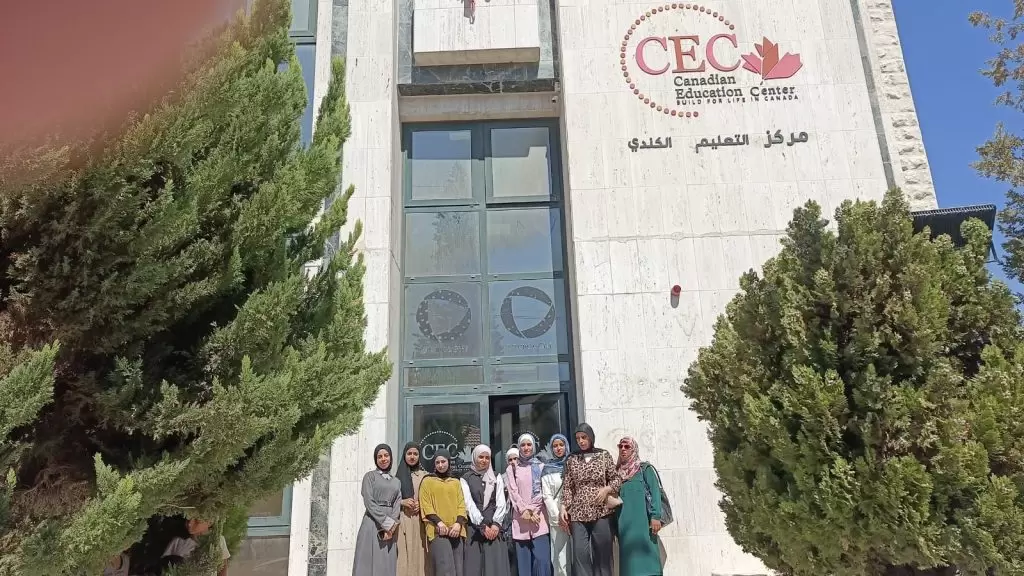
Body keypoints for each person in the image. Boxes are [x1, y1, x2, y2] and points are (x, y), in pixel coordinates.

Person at [560, 423, 622, 576]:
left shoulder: (603, 455)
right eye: (578, 438)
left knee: (603, 555)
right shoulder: (572, 459)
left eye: (584, 437)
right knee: (580, 554)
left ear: (591, 437)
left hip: (601, 511)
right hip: (578, 513)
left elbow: (616, 479)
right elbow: (568, 486)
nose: (581, 441)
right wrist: (563, 507)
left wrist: (607, 489)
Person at [614, 436, 663, 576]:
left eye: (627, 446)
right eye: (620, 446)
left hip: (644, 524)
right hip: (624, 526)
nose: (623, 449)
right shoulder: (616, 474)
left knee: (649, 562)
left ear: (634, 449)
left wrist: (655, 516)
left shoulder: (644, 469)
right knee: (629, 565)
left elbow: (655, 492)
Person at [460, 445, 511, 576]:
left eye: (487, 458)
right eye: (481, 457)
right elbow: (468, 503)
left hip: (494, 529)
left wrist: (496, 524)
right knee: (474, 567)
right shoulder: (466, 478)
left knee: (494, 567)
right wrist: (482, 525)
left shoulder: (496, 476)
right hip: (474, 528)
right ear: (475, 458)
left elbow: (501, 501)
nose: (484, 460)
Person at [353, 444, 402, 576]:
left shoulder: (396, 481)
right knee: (368, 562)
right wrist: (386, 522)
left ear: (391, 457)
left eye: (386, 455)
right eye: (379, 456)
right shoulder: (370, 476)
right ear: (376, 459)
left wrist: (392, 525)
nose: (383, 459)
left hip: (390, 527)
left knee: (386, 563)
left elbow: (397, 503)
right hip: (372, 522)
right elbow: (369, 501)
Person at [506, 434, 551, 576]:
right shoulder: (512, 469)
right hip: (521, 521)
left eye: (529, 444)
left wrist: (531, 511)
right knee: (524, 567)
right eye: (523, 445)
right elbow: (513, 492)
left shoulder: (541, 466)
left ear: (533, 446)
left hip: (538, 519)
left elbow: (542, 492)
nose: (526, 448)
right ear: (519, 447)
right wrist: (524, 510)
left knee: (543, 561)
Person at [419, 449, 467, 576]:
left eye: (443, 461)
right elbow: (426, 505)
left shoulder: (455, 482)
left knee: (458, 569)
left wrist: (458, 524)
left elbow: (461, 504)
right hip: (438, 531)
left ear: (449, 462)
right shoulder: (427, 481)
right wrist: (439, 523)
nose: (440, 465)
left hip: (456, 530)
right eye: (437, 462)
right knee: (444, 568)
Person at [395, 442, 433, 576]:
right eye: (409, 453)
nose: (412, 457)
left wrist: (421, 504)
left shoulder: (426, 476)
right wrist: (403, 502)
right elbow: (389, 501)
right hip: (404, 521)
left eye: (415, 454)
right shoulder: (396, 478)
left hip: (421, 522)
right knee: (405, 557)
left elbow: (431, 498)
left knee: (422, 556)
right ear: (404, 455)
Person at [160, 516, 231, 576]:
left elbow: (222, 568)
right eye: (188, 519)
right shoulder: (178, 541)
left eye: (197, 521)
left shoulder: (217, 540)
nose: (190, 523)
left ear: (210, 522)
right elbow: (163, 567)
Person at [540, 434, 570, 576]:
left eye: (561, 445)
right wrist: (558, 517)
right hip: (557, 517)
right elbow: (546, 495)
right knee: (559, 554)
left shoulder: (573, 464)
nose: (558, 448)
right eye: (555, 446)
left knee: (577, 553)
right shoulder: (547, 468)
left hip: (574, 514)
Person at [504, 447, 520, 576]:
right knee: (510, 552)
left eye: (516, 459)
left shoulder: (525, 474)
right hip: (508, 520)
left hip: (522, 518)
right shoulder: (502, 478)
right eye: (510, 460)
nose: (513, 462)